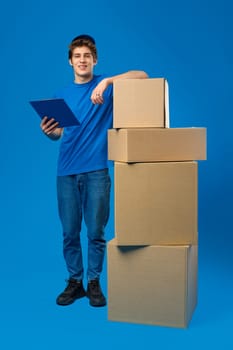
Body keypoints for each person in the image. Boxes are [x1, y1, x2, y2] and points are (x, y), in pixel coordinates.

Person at [40, 34, 148, 307]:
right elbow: (59, 135)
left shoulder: (106, 87)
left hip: (97, 171)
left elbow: (143, 75)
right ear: (70, 62)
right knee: (69, 231)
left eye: (87, 56)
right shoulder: (61, 95)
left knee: (96, 231)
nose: (82, 60)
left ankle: (94, 282)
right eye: (77, 56)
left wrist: (108, 80)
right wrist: (50, 133)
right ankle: (75, 282)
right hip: (66, 172)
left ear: (95, 60)